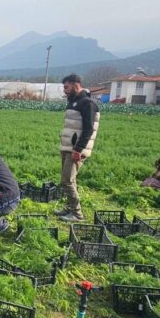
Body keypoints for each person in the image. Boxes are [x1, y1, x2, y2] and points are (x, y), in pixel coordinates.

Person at [56, 74, 100, 222]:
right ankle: (70, 209)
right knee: (70, 180)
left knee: (67, 180)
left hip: (76, 149)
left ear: (76, 85)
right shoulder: (73, 102)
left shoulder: (87, 103)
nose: (65, 90)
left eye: (66, 87)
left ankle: (77, 213)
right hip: (68, 147)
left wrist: (78, 149)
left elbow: (89, 129)